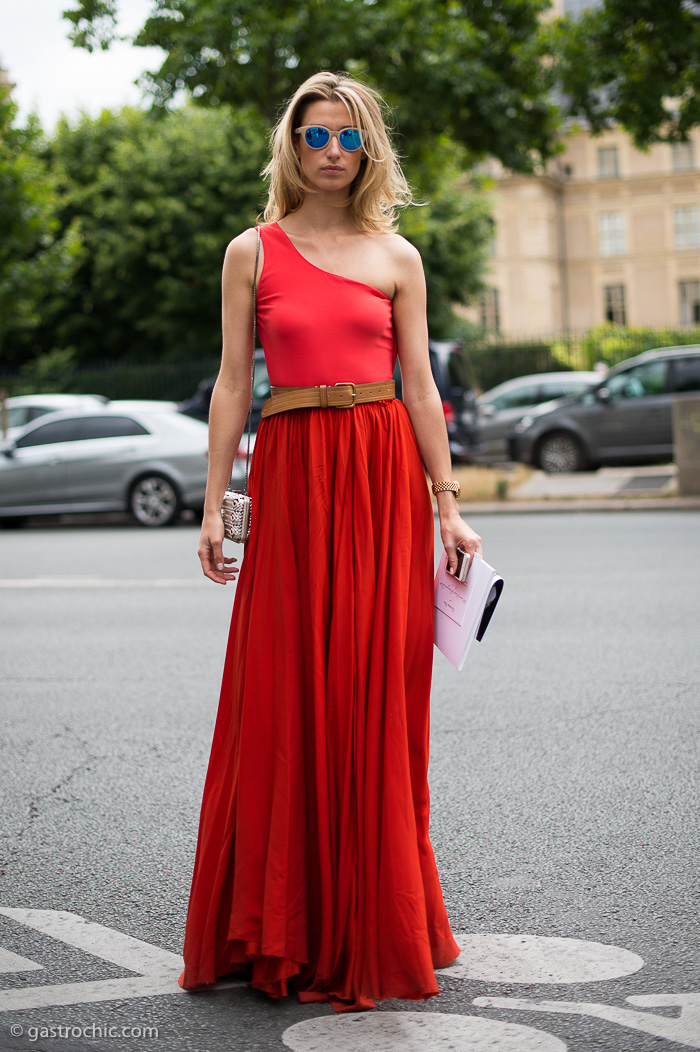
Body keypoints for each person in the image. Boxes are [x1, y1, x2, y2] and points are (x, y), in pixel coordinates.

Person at [178, 70, 483, 1014]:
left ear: (368, 149)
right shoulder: (251, 253)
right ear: (292, 146)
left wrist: (448, 503)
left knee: (379, 693)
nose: (332, 152)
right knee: (285, 691)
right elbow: (234, 384)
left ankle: (379, 916)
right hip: (297, 471)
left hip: (384, 473)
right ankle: (282, 921)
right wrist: (214, 498)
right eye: (315, 136)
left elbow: (423, 389)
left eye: (348, 138)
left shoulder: (400, 257)